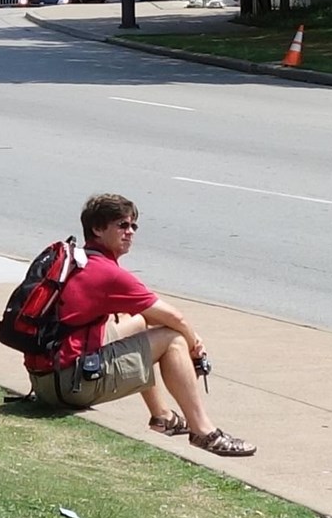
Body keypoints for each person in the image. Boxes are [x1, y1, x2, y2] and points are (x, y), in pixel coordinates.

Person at [26, 192, 255, 457]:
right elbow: (175, 319)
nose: (130, 232)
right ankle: (203, 432)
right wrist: (195, 345)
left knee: (136, 322)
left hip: (47, 380)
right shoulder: (108, 274)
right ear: (97, 229)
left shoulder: (79, 261)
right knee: (173, 339)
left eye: (133, 226)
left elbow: (150, 314)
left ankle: (162, 416)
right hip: (70, 388)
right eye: (122, 225)